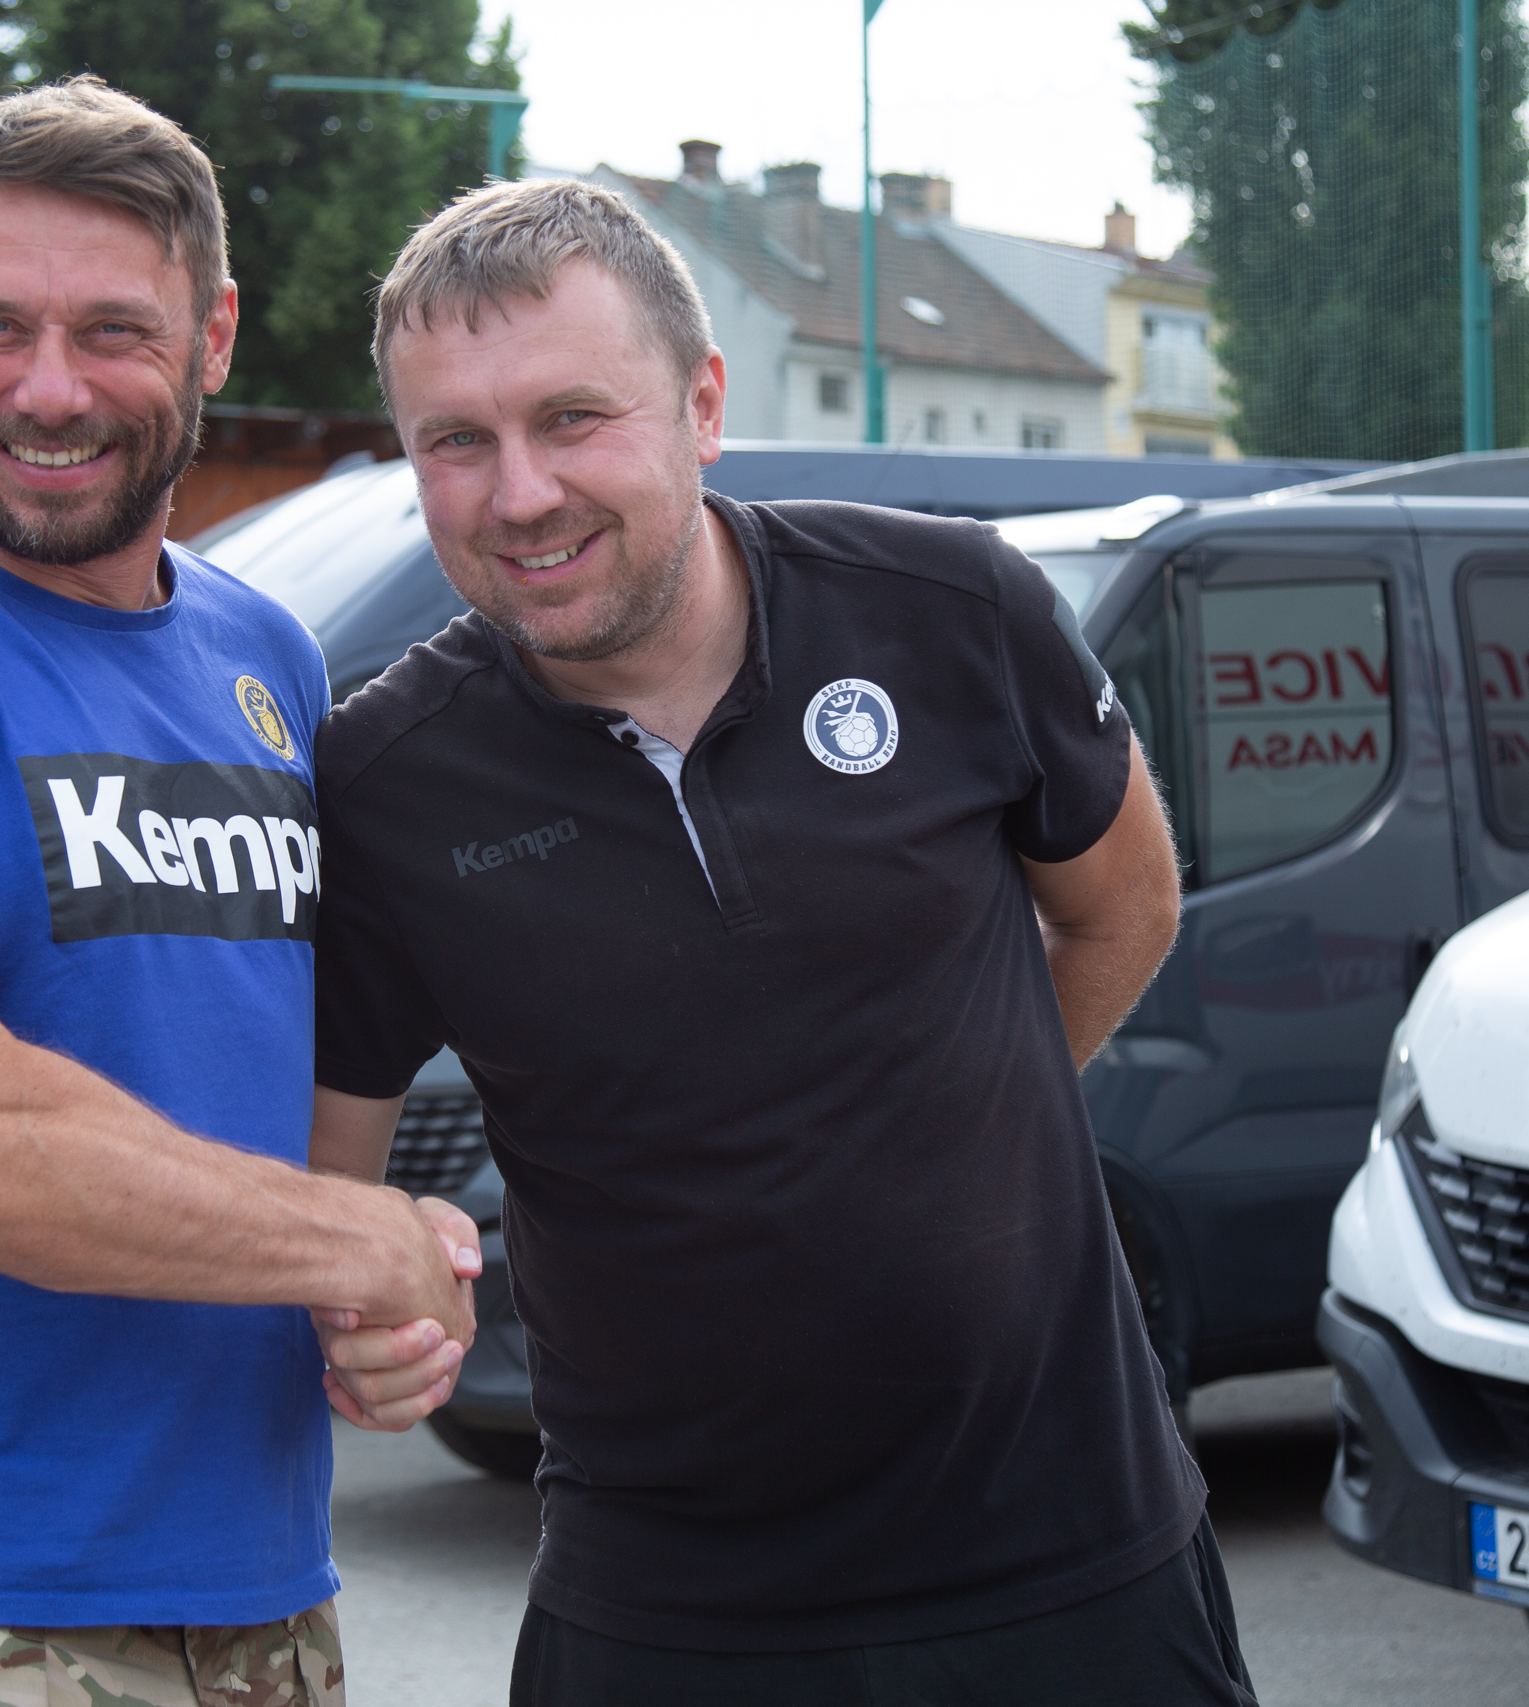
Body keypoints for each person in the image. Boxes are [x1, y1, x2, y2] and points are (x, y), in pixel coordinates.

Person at [307, 178, 1257, 1705]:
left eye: (572, 419)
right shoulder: (386, 780)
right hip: (665, 1615)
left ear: (703, 405)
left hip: (1076, 1564)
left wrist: (944, 1126)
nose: (521, 493)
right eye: (456, 442)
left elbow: (1125, 905)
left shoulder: (952, 611)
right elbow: (324, 1184)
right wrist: (369, 1310)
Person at [0, 79, 478, 1707]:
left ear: (215, 337)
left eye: (115, 330)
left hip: (264, 1596)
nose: (50, 391)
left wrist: (378, 1309)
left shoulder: (265, 655)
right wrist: (353, 1236)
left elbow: (257, 1063)